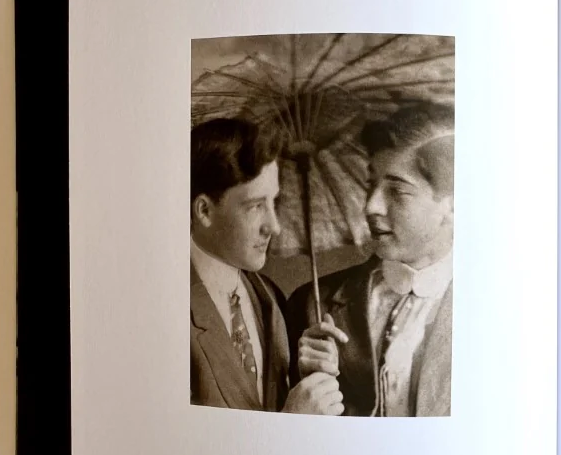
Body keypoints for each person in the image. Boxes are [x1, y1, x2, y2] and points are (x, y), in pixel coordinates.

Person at [287, 103, 455, 417]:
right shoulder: (314, 302)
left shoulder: (495, 309)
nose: (371, 207)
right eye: (371, 186)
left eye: (397, 191)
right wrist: (308, 384)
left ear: (451, 205)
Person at [190, 117, 344, 415]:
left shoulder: (269, 298)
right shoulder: (164, 309)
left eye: (274, 202)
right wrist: (292, 422)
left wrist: (305, 374)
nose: (274, 227)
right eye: (256, 206)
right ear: (205, 211)